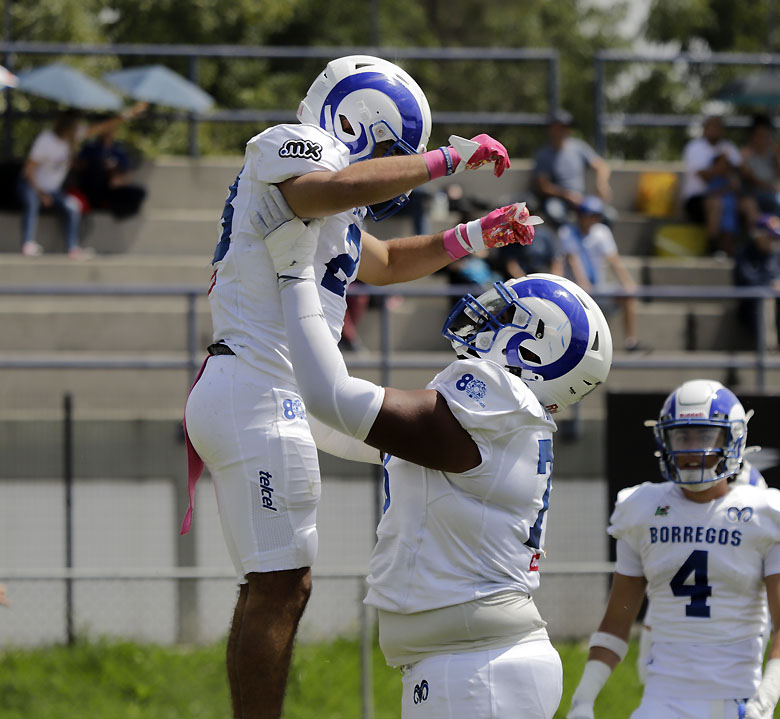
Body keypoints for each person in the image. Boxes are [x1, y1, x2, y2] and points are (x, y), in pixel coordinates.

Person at [182, 55, 523, 719]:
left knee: (284, 575)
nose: (401, 165)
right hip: (257, 383)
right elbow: (322, 191)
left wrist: (476, 233)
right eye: (397, 148)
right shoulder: (291, 148)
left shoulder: (329, 206)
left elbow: (388, 260)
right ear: (361, 120)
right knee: (282, 581)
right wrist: (446, 162)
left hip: (282, 388)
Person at [253, 185, 613, 717]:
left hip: (476, 666)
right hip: (463, 662)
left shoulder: (499, 403)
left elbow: (333, 398)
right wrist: (253, 394)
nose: (489, 313)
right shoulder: (499, 424)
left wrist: (294, 275)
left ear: (538, 348)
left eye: (509, 315)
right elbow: (338, 428)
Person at [566, 380, 780, 719]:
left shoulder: (767, 513)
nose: (691, 449)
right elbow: (616, 621)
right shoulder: (641, 508)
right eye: (682, 437)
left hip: (739, 702)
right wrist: (583, 698)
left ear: (734, 439)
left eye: (704, 435)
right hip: (662, 702)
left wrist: (765, 699)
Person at [17, 105, 144, 258]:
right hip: (32, 185)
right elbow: (28, 170)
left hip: (52, 191)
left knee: (73, 206)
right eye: (77, 125)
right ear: (68, 126)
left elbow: (101, 127)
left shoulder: (71, 139)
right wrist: (41, 193)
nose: (80, 128)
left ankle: (72, 248)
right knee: (32, 201)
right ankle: (28, 243)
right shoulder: (46, 140)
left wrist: (128, 114)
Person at [559, 195, 644, 352]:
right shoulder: (567, 232)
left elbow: (613, 261)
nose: (592, 219)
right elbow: (573, 261)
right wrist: (583, 286)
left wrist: (628, 283)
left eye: (596, 216)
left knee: (627, 297)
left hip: (598, 288)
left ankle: (630, 342)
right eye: (589, 215)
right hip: (575, 290)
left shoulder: (602, 232)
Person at [532, 109, 612, 227]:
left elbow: (602, 166)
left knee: (607, 216)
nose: (563, 130)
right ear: (551, 129)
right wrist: (567, 196)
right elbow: (543, 187)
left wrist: (602, 184)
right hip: (558, 199)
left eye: (566, 126)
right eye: (559, 127)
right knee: (555, 213)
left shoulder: (579, 147)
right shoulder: (543, 155)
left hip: (581, 199)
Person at [680, 111, 742, 257]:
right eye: (712, 126)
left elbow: (739, 170)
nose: (716, 130)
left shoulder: (729, 146)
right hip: (697, 200)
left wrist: (726, 170)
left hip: (727, 194)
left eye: (719, 127)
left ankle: (746, 250)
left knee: (745, 204)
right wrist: (723, 166)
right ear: (705, 128)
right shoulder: (694, 147)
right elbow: (706, 176)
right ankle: (713, 247)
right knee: (716, 203)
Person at [735, 214, 780, 351]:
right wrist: (770, 285)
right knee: (766, 298)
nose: (775, 240)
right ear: (758, 235)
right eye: (771, 236)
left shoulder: (778, 253)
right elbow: (746, 279)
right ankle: (769, 347)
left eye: (777, 237)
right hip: (752, 302)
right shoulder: (745, 253)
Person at [71, 107, 150, 220]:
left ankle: (117, 211)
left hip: (112, 188)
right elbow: (78, 165)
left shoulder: (118, 149)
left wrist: (116, 174)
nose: (110, 131)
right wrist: (96, 163)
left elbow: (127, 174)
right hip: (94, 186)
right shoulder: (90, 147)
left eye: (112, 128)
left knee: (139, 192)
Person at [739, 113, 780, 228]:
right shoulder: (745, 154)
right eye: (759, 134)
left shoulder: (773, 152)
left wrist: (778, 155)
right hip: (757, 195)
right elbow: (749, 179)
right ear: (752, 135)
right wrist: (769, 186)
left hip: (775, 195)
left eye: (766, 134)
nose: (763, 138)